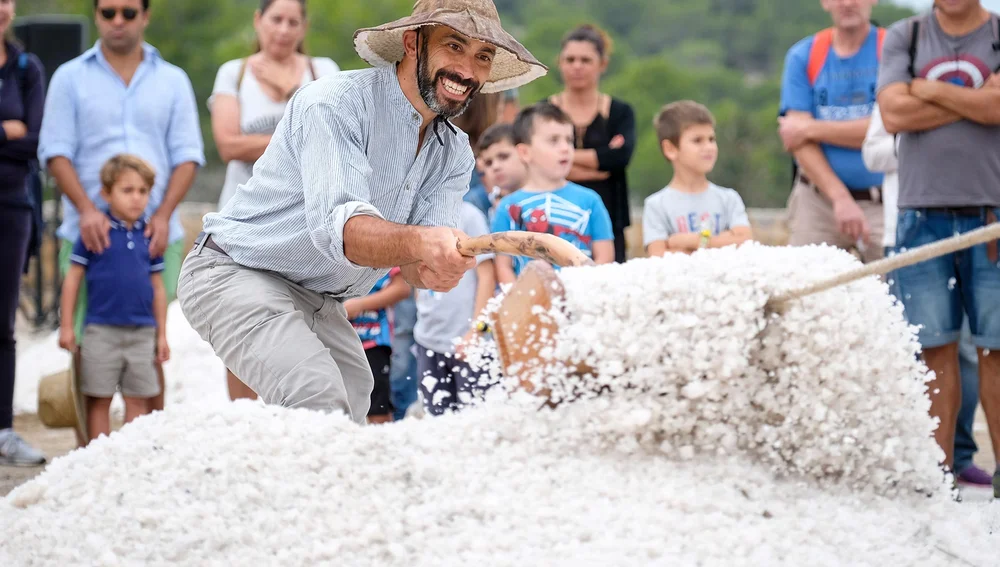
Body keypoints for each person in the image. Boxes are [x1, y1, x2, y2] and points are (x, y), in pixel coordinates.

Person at [176, 0, 545, 424]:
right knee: (316, 395)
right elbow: (346, 232)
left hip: (319, 295)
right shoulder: (334, 102)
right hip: (233, 270)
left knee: (357, 401)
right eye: (454, 46)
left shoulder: (456, 153)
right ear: (412, 43)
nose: (467, 71)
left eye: (482, 57)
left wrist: (441, 265)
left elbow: (414, 268)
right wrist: (424, 243)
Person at [38, 0, 205, 420]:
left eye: (128, 12)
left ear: (145, 16)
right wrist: (87, 209)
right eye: (108, 12)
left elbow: (188, 155)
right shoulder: (69, 78)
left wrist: (164, 215)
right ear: (96, 15)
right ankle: (90, 464)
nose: (117, 21)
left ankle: (150, 454)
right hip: (85, 232)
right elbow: (55, 151)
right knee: (86, 348)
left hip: (155, 236)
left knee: (150, 350)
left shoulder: (172, 80)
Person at [876, 0, 1000, 497]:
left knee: (996, 349)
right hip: (921, 213)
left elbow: (998, 109)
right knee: (933, 349)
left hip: (991, 214)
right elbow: (890, 113)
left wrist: (924, 92)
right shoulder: (904, 37)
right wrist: (970, 98)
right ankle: (936, 475)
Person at [208, 0, 340, 402]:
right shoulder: (235, 72)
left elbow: (333, 135)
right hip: (243, 219)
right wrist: (297, 131)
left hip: (304, 224)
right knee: (241, 319)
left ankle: (299, 417)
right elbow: (228, 144)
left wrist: (286, 92)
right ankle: (246, 420)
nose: (282, 29)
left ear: (304, 27)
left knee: (303, 322)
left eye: (292, 21)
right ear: (258, 21)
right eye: (275, 19)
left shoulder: (325, 70)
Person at [863, 104, 993, 488]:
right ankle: (928, 465)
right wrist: (943, 132)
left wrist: (928, 125)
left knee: (972, 350)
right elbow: (873, 153)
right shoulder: (893, 96)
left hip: (977, 223)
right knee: (923, 347)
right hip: (907, 230)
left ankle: (961, 454)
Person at [58, 155, 169, 443]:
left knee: (138, 398)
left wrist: (161, 335)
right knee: (98, 398)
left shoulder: (150, 235)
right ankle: (99, 458)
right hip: (100, 331)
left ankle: (129, 459)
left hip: (142, 332)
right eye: (127, 190)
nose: (136, 198)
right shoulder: (95, 232)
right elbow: (72, 280)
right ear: (106, 193)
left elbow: (157, 288)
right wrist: (67, 326)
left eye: (143, 191)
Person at [778, 0, 885, 263]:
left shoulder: (892, 49)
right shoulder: (804, 55)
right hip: (817, 202)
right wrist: (840, 199)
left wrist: (812, 128)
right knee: (804, 292)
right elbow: (796, 140)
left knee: (896, 294)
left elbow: (893, 126)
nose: (847, 3)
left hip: (885, 201)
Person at [491, 102, 614, 284]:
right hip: (529, 304)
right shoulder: (507, 207)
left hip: (580, 300)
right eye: (553, 140)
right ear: (525, 152)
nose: (565, 148)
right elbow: (503, 266)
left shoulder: (590, 201)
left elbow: (605, 260)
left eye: (569, 140)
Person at [0, 0, 47, 467]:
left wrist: (20, 138)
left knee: (4, 324)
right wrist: (5, 132)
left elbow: (36, 140)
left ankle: (3, 430)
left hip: (12, 207)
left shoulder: (25, 67)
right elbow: (16, 136)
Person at [549, 24, 636, 263]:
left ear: (602, 64)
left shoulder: (620, 112)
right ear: (560, 62)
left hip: (610, 220)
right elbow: (536, 161)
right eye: (571, 59)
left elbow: (620, 158)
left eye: (586, 60)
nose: (577, 66)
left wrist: (562, 159)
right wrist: (600, 160)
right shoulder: (544, 112)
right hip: (554, 219)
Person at [414, 200, 496, 416]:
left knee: (475, 420)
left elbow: (487, 276)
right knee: (436, 419)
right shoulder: (417, 215)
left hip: (468, 339)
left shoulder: (469, 215)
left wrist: (477, 331)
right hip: (427, 338)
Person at [642, 101, 752, 256]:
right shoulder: (656, 205)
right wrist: (723, 241)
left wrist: (691, 242)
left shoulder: (729, 198)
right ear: (670, 149)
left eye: (711, 139)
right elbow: (659, 257)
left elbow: (745, 241)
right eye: (697, 140)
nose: (709, 147)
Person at [345, 268, 410, 423]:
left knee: (377, 404)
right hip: (338, 340)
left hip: (374, 340)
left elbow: (402, 288)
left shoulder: (388, 250)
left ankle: (381, 443)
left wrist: (360, 305)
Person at [478, 122, 529, 222]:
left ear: (523, 152)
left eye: (503, 156)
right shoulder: (486, 205)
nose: (495, 167)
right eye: (488, 163)